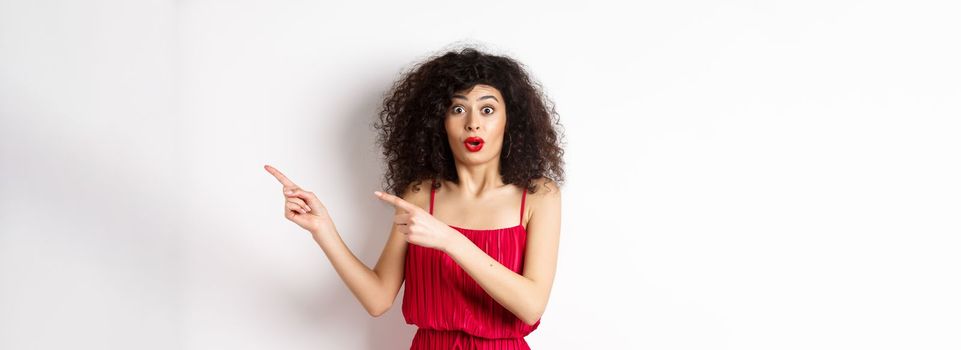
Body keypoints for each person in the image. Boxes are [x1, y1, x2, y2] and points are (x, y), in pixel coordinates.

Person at [264, 46, 565, 349]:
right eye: (458, 109)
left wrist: (449, 239)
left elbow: (531, 306)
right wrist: (323, 230)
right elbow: (378, 300)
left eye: (487, 110)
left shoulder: (539, 196)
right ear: (439, 122)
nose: (473, 123)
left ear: (509, 120)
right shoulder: (420, 196)